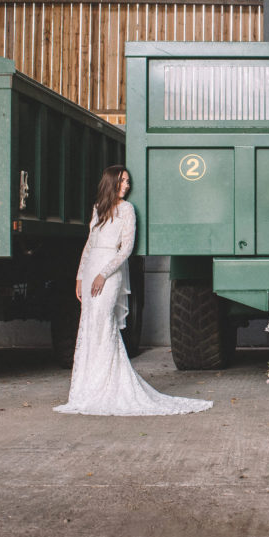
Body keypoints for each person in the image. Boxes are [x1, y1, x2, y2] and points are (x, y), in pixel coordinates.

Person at [54, 165, 212, 416]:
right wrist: (79, 277)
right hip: (91, 270)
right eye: (122, 181)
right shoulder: (98, 208)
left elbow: (125, 249)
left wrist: (102, 274)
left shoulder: (128, 210)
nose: (127, 185)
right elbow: (89, 245)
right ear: (110, 182)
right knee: (89, 325)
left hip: (109, 272)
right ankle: (88, 388)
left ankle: (108, 385)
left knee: (104, 324)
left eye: (128, 181)